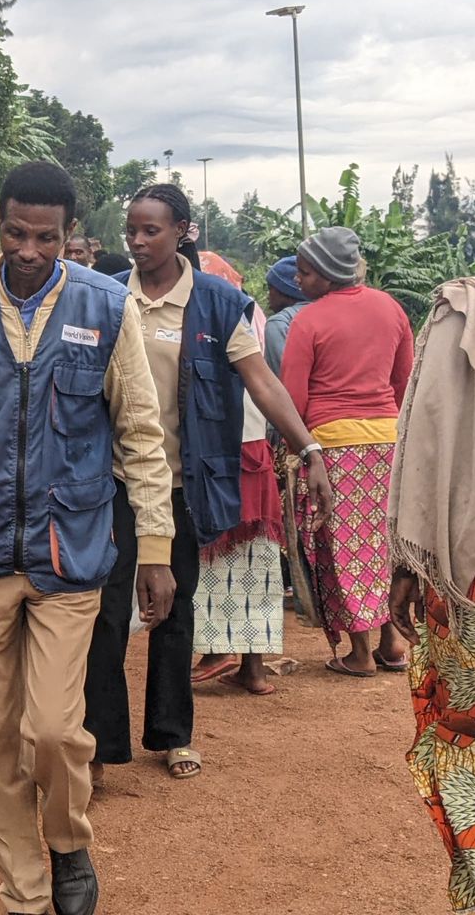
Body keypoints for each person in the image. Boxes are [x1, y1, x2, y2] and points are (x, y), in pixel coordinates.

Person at [0, 160, 176, 915]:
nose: (29, 251)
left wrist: (154, 547)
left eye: (47, 237)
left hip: (72, 552)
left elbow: (140, 433)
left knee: (55, 731)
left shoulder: (106, 304)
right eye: (16, 233)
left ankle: (67, 841)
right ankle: (23, 892)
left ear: (69, 236)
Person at [85, 184, 333, 782]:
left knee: (175, 607)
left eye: (151, 231)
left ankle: (172, 735)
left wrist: (310, 447)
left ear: (182, 232)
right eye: (132, 232)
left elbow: (263, 383)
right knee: (107, 613)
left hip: (183, 484)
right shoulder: (109, 299)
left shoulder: (221, 304)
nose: (139, 242)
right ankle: (100, 748)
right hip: (113, 483)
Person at [281, 226, 414, 675]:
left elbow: (292, 397)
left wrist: (292, 447)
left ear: (327, 272)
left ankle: (361, 653)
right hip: (386, 443)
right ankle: (392, 641)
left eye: (305, 271)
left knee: (341, 548)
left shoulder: (308, 320)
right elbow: (404, 380)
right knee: (378, 543)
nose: (298, 279)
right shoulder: (391, 308)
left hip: (332, 448)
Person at [387, 277, 475, 913]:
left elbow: (430, 440)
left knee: (463, 734)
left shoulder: (463, 316)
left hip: (468, 578)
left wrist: (408, 564)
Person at [190, 303, 287, 696]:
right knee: (259, 560)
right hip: (254, 444)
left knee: (214, 553)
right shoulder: (249, 316)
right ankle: (254, 669)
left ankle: (216, 650)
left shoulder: (205, 314)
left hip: (221, 450)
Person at [263, 255, 309, 377]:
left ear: (285, 291)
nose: (268, 296)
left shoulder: (279, 323)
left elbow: (285, 378)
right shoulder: (328, 312)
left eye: (270, 288)